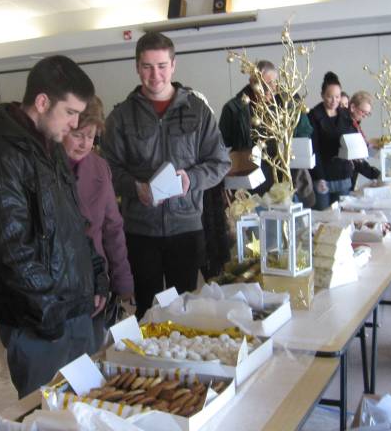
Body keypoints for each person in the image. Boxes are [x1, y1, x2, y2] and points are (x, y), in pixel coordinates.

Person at [0, 56, 108, 398]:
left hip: (74, 311)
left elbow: (75, 223)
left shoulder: (50, 149)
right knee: (49, 416)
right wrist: (52, 314)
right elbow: (12, 253)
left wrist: (96, 274)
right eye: (70, 112)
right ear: (43, 102)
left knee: (85, 412)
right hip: (39, 325)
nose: (75, 124)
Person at [102, 32, 231, 319]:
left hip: (186, 229)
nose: (155, 74)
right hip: (139, 232)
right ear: (137, 67)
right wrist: (136, 188)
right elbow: (108, 171)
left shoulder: (198, 112)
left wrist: (193, 179)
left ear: (173, 65)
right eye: (147, 66)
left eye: (161, 65)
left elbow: (220, 162)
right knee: (146, 311)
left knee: (183, 310)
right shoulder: (121, 117)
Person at [61, 95, 134, 349]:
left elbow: (113, 228)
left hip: (95, 284)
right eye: (78, 135)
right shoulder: (45, 167)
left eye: (91, 136)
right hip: (60, 284)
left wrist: (123, 281)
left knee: (92, 354)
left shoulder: (100, 167)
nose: (84, 144)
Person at [219, 60, 315, 206]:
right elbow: (224, 148)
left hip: (288, 180)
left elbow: (304, 132)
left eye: (272, 83)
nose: (269, 89)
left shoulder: (289, 101)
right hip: (252, 185)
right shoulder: (234, 109)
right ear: (251, 82)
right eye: (263, 85)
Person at [309, 71, 357, 210]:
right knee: (323, 217)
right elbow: (313, 148)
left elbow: (351, 141)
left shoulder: (345, 115)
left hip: (343, 173)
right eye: (330, 97)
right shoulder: (314, 115)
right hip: (323, 175)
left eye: (337, 97)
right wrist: (319, 177)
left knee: (343, 216)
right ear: (323, 95)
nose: (334, 100)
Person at [348, 90, 381, 189]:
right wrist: (376, 175)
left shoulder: (355, 125)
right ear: (353, 107)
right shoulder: (348, 126)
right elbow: (356, 158)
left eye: (368, 114)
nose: (364, 116)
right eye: (363, 112)